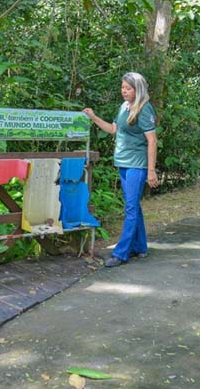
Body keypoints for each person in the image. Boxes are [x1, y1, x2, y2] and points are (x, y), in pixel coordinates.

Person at [83, 72, 159, 267]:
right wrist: (93, 117)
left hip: (137, 164)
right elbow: (113, 129)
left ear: (137, 89)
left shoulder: (144, 109)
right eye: (123, 87)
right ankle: (140, 247)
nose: (124, 91)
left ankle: (121, 253)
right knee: (133, 205)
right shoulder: (124, 107)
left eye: (128, 88)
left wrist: (151, 170)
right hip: (123, 162)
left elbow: (152, 140)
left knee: (131, 208)